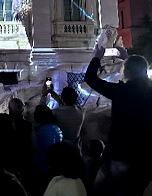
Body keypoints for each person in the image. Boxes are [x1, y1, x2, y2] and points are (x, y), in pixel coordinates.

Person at [85, 46, 152, 195]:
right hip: (144, 157)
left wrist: (97, 57)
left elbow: (90, 78)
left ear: (126, 73)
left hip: (119, 153)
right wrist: (128, 59)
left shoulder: (122, 91)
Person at [45, 85, 84, 153]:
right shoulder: (81, 110)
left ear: (62, 99)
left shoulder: (55, 112)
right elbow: (65, 105)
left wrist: (44, 95)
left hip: (61, 148)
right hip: (76, 149)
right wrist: (52, 92)